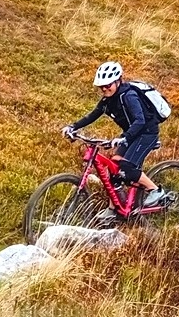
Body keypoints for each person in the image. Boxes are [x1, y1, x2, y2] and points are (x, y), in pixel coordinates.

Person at [61, 61, 164, 220]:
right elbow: (92, 116)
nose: (104, 89)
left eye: (108, 85)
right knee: (114, 168)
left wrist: (123, 138)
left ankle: (156, 191)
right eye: (101, 86)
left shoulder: (129, 96)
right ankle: (113, 209)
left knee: (126, 168)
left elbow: (140, 121)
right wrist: (72, 127)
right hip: (131, 134)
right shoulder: (107, 101)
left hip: (147, 133)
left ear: (117, 81)